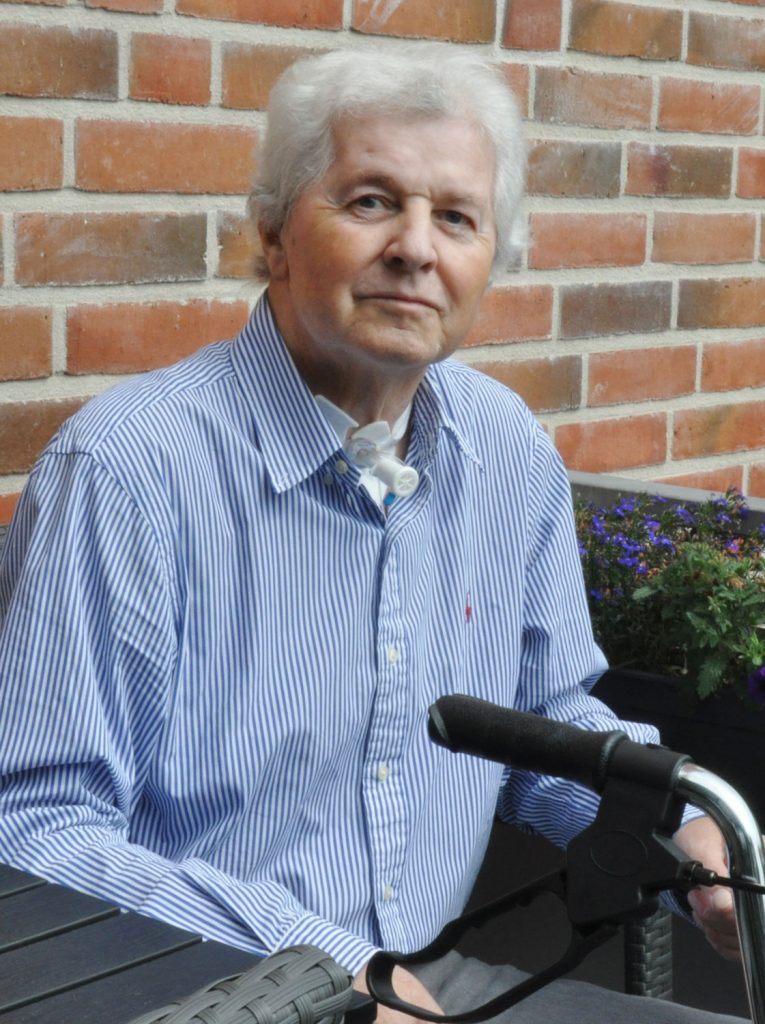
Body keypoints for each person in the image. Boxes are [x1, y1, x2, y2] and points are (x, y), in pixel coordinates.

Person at [0, 44, 746, 1023]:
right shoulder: (130, 470)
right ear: (273, 232)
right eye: (370, 202)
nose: (416, 248)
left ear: (491, 258)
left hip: (423, 981)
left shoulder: (506, 447)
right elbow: (35, 830)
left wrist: (687, 826)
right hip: (203, 993)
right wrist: (326, 970)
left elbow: (544, 720)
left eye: (456, 217)